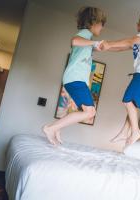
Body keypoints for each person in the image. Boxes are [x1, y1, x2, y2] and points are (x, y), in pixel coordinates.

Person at [43, 7, 106, 145]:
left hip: (75, 79)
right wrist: (95, 43)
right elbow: (75, 41)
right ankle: (51, 128)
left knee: (90, 111)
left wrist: (97, 46)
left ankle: (57, 128)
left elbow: (85, 46)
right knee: (90, 112)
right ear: (93, 22)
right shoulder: (85, 33)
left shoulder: (88, 39)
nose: (102, 28)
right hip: (75, 78)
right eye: (101, 24)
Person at [101, 11, 140, 147]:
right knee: (132, 105)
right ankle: (124, 132)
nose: (138, 23)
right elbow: (125, 47)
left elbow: (130, 41)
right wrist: (106, 48)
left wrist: (109, 43)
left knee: (128, 101)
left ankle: (135, 131)